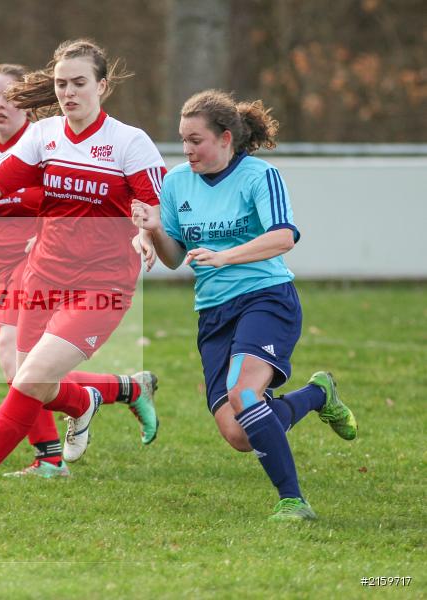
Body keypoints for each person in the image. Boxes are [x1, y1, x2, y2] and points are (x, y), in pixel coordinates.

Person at [0, 39, 166, 508]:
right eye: (61, 83)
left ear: (102, 86)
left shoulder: (129, 142)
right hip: (41, 278)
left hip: (102, 287)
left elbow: (155, 208)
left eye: (79, 83)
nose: (68, 92)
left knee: (30, 377)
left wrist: (146, 234)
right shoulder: (46, 135)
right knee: (25, 374)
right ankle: (88, 401)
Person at [132, 89, 358, 521]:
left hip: (266, 299)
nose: (187, 150)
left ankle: (293, 501)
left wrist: (224, 255)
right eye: (183, 140)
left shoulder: (259, 176)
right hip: (214, 314)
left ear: (225, 139)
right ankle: (318, 393)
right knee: (239, 433)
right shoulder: (177, 182)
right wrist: (155, 229)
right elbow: (175, 257)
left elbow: (284, 236)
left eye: (196, 140)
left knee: (244, 393)